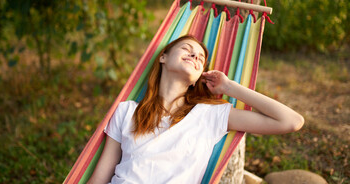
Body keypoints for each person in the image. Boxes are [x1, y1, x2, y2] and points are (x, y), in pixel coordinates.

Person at [87, 35, 304, 184]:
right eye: (187, 50)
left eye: (200, 58)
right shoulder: (127, 111)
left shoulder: (210, 115)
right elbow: (100, 177)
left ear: (198, 78)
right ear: (163, 57)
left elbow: (291, 121)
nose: (195, 57)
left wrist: (228, 87)